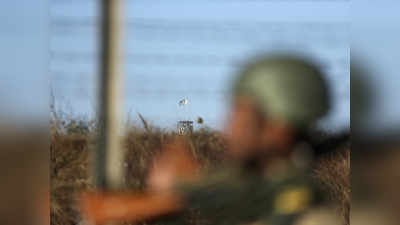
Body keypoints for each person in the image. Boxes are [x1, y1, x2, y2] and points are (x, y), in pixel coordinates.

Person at [81, 54, 333, 225]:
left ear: (277, 126)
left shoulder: (299, 210)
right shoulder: (258, 187)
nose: (227, 130)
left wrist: (176, 195)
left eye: (241, 120)